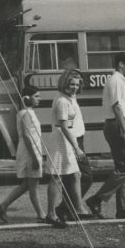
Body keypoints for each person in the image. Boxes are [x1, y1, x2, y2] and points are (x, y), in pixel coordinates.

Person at [86, 52, 125, 219]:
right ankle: (96, 199)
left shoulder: (118, 80)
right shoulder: (116, 80)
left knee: (124, 168)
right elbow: (116, 106)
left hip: (117, 123)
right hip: (117, 124)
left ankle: (123, 209)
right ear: (120, 64)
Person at [0, 85, 52, 226]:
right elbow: (26, 136)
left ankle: (3, 206)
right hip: (29, 153)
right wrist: (34, 157)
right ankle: (41, 215)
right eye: (36, 96)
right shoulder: (27, 114)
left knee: (28, 184)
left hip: (29, 151)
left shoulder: (25, 112)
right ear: (27, 98)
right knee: (33, 185)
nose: (39, 99)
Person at [46, 69, 91, 226]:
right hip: (61, 141)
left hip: (67, 141)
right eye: (71, 84)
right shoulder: (62, 101)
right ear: (64, 83)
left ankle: (78, 208)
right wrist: (76, 147)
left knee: (76, 174)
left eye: (77, 85)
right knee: (57, 177)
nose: (74, 87)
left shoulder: (69, 98)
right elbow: (64, 127)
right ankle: (51, 214)